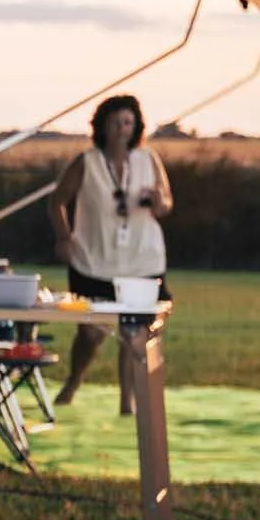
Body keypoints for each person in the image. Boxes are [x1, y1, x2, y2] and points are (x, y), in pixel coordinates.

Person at [48, 93, 172, 413]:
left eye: (128, 122)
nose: (121, 129)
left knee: (136, 332)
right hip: (94, 258)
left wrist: (156, 200)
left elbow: (166, 203)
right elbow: (56, 201)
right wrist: (64, 238)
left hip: (141, 257)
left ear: (136, 126)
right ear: (102, 125)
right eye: (115, 122)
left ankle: (127, 403)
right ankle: (74, 380)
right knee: (90, 333)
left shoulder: (148, 159)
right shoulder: (86, 162)